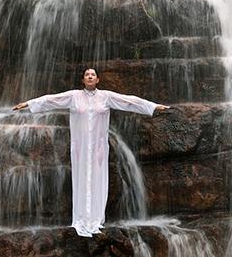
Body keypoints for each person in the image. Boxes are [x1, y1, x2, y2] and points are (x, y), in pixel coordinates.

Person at [13, 68, 169, 237]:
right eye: (87, 74)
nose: (89, 76)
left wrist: (152, 107)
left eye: (93, 74)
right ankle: (80, 220)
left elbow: (129, 102)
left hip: (98, 148)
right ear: (83, 79)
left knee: (98, 181)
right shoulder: (73, 96)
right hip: (80, 148)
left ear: (97, 80)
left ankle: (96, 220)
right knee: (80, 181)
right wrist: (29, 104)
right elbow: (51, 100)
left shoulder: (106, 97)